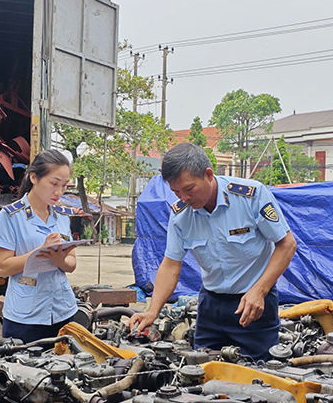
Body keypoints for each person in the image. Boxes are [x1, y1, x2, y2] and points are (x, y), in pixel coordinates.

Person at [126, 143, 297, 361]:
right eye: (176, 192)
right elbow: (170, 265)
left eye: (189, 189)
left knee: (259, 378)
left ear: (208, 175)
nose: (184, 197)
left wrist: (260, 291)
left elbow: (287, 244)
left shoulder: (251, 197)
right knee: (200, 373)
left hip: (254, 305)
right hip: (211, 307)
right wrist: (152, 311)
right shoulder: (180, 215)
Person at [0, 149, 79, 343]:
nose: (59, 192)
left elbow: (72, 263)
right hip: (25, 316)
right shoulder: (11, 216)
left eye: (64, 186)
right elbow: (4, 267)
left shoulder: (63, 216)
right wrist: (41, 252)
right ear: (34, 177)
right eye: (54, 184)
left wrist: (60, 260)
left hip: (62, 310)